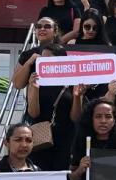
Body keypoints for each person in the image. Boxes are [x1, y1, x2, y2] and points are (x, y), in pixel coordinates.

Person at [26, 43, 80, 171]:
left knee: (62, 176)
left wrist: (77, 96)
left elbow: (75, 117)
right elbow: (33, 113)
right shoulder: (36, 81)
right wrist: (33, 88)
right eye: (42, 59)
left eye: (48, 59)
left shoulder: (72, 81)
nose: (43, 62)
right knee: (40, 174)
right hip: (40, 137)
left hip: (65, 137)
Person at [12, 17, 62, 89]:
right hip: (36, 99)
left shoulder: (65, 52)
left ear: (55, 32)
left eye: (47, 26)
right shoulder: (27, 54)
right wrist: (29, 62)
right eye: (38, 26)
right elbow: (17, 85)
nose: (42, 29)